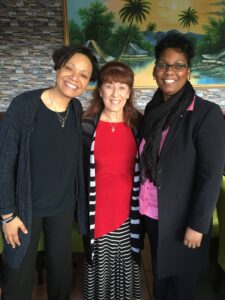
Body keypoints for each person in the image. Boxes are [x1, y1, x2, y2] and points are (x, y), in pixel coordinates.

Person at [0, 45, 98, 300]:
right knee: (18, 275)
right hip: (24, 210)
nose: (74, 78)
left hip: (63, 208)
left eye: (84, 75)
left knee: (61, 273)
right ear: (58, 67)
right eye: (69, 68)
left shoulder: (76, 109)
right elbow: (4, 162)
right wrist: (7, 215)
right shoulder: (24, 105)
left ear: (88, 82)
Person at [139, 32, 225, 300]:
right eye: (164, 64)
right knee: (161, 279)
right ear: (154, 70)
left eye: (178, 65)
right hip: (151, 213)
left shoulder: (205, 113)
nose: (169, 71)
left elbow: (210, 175)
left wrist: (198, 225)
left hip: (183, 219)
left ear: (188, 71)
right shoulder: (150, 112)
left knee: (181, 285)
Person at [82, 61, 142, 299]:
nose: (115, 94)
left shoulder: (139, 123)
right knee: (99, 270)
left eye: (122, 87)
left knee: (126, 269)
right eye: (109, 86)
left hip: (129, 212)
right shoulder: (87, 125)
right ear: (100, 90)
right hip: (97, 212)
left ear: (129, 92)